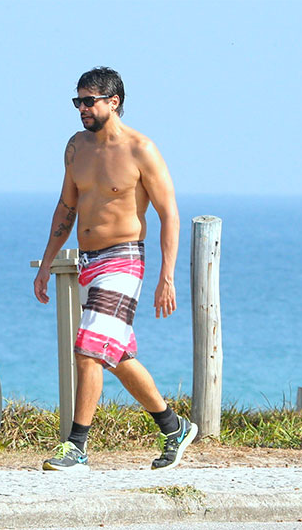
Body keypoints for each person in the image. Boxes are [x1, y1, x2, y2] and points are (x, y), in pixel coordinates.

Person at [33, 67, 197, 472]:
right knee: (117, 356)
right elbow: (66, 207)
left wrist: (167, 277)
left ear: (114, 101)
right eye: (78, 102)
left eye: (89, 101)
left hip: (123, 260)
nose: (82, 109)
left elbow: (168, 214)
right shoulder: (75, 148)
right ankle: (174, 427)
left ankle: (77, 447)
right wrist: (47, 260)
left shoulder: (141, 149)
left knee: (88, 351)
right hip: (88, 260)